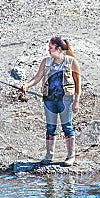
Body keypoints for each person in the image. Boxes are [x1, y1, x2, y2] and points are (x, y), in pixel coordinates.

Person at [20, 37, 81, 166]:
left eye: (50, 48)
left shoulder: (71, 62)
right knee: (50, 127)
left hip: (66, 100)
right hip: (49, 99)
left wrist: (76, 101)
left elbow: (78, 84)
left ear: (58, 49)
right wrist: (26, 86)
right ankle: (49, 156)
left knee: (67, 127)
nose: (48, 50)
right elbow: (37, 77)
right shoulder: (45, 62)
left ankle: (71, 156)